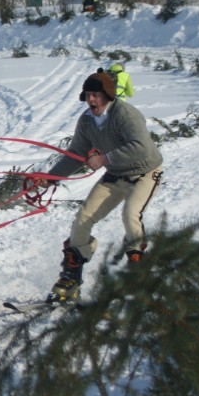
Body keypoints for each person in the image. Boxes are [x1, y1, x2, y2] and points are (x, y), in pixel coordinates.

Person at [38, 72, 163, 305]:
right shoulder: (86, 121)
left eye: (95, 95)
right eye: (88, 95)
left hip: (145, 173)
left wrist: (105, 158)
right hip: (116, 175)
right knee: (83, 217)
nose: (91, 100)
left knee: (130, 214)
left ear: (107, 96)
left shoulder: (125, 115)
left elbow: (142, 148)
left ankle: (137, 272)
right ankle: (71, 278)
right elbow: (75, 154)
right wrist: (50, 177)